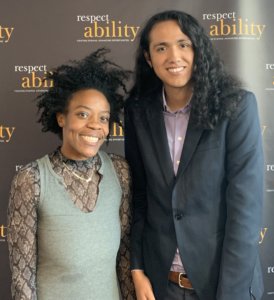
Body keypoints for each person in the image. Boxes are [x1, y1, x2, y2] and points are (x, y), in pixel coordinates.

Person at [124, 10, 264, 300]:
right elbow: (140, 197)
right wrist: (137, 269)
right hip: (162, 285)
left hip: (222, 285)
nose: (174, 56)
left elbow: (245, 211)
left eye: (183, 44)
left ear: (198, 49)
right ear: (149, 59)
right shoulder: (138, 112)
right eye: (161, 48)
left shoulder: (237, 107)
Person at [7, 48, 135, 300]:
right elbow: (23, 278)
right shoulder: (31, 180)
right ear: (61, 118)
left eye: (103, 118)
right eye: (83, 114)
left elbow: (125, 259)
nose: (95, 126)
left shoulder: (119, 171)